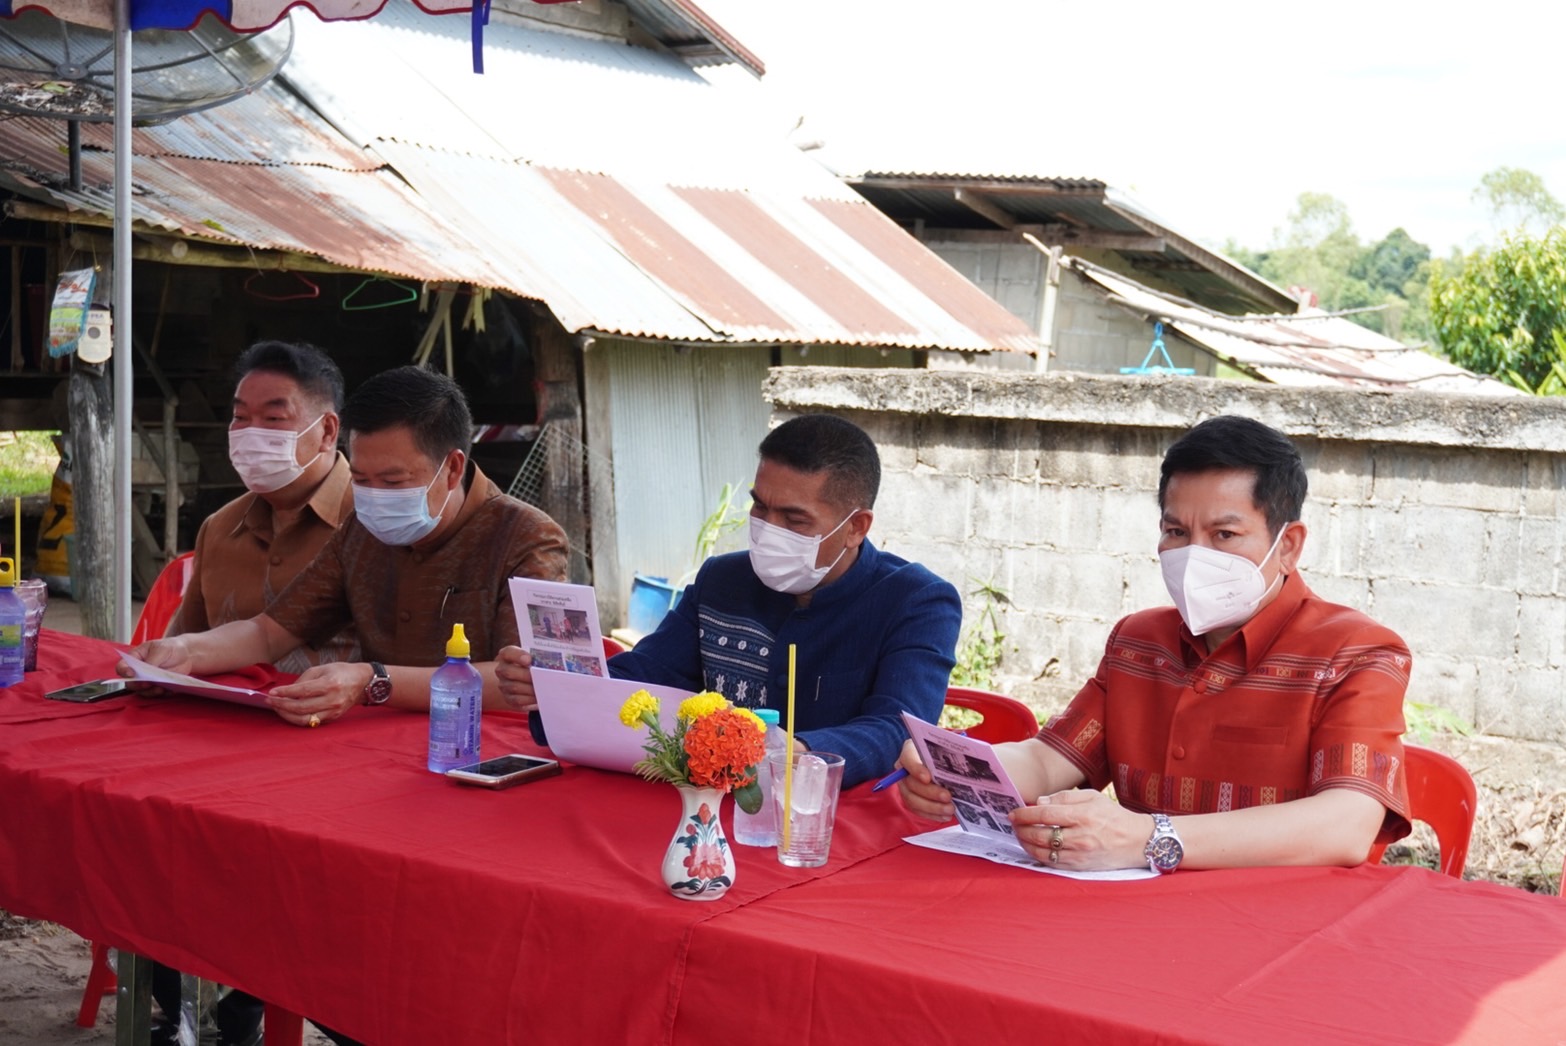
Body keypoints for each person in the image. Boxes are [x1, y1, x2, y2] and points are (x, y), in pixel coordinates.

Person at [897, 415, 1413, 872]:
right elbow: (1050, 761)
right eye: (1176, 531)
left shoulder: (1356, 652)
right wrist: (955, 770)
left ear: (1288, 546)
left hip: (1281, 928)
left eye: (1224, 535)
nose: (1194, 555)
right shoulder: (1137, 642)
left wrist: (1147, 838)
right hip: (1129, 916)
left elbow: (1347, 824)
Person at [497, 412, 962, 788]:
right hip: (711, 814)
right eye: (760, 506)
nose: (768, 529)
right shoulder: (723, 580)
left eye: (795, 520)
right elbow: (647, 675)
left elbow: (897, 727)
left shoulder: (917, 602)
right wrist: (560, 688)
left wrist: (797, 752)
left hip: (833, 826)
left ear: (856, 527)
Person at [125, 365, 569, 725]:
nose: (374, 496)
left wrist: (372, 681)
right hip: (376, 747)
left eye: (393, 481)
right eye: (360, 479)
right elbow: (269, 631)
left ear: (452, 468)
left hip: (485, 749)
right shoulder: (363, 530)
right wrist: (184, 652)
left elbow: (523, 686)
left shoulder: (528, 537)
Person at [167, 341, 359, 671]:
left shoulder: (372, 521)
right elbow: (181, 646)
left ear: (327, 431)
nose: (251, 433)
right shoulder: (219, 528)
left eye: (273, 418)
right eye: (240, 417)